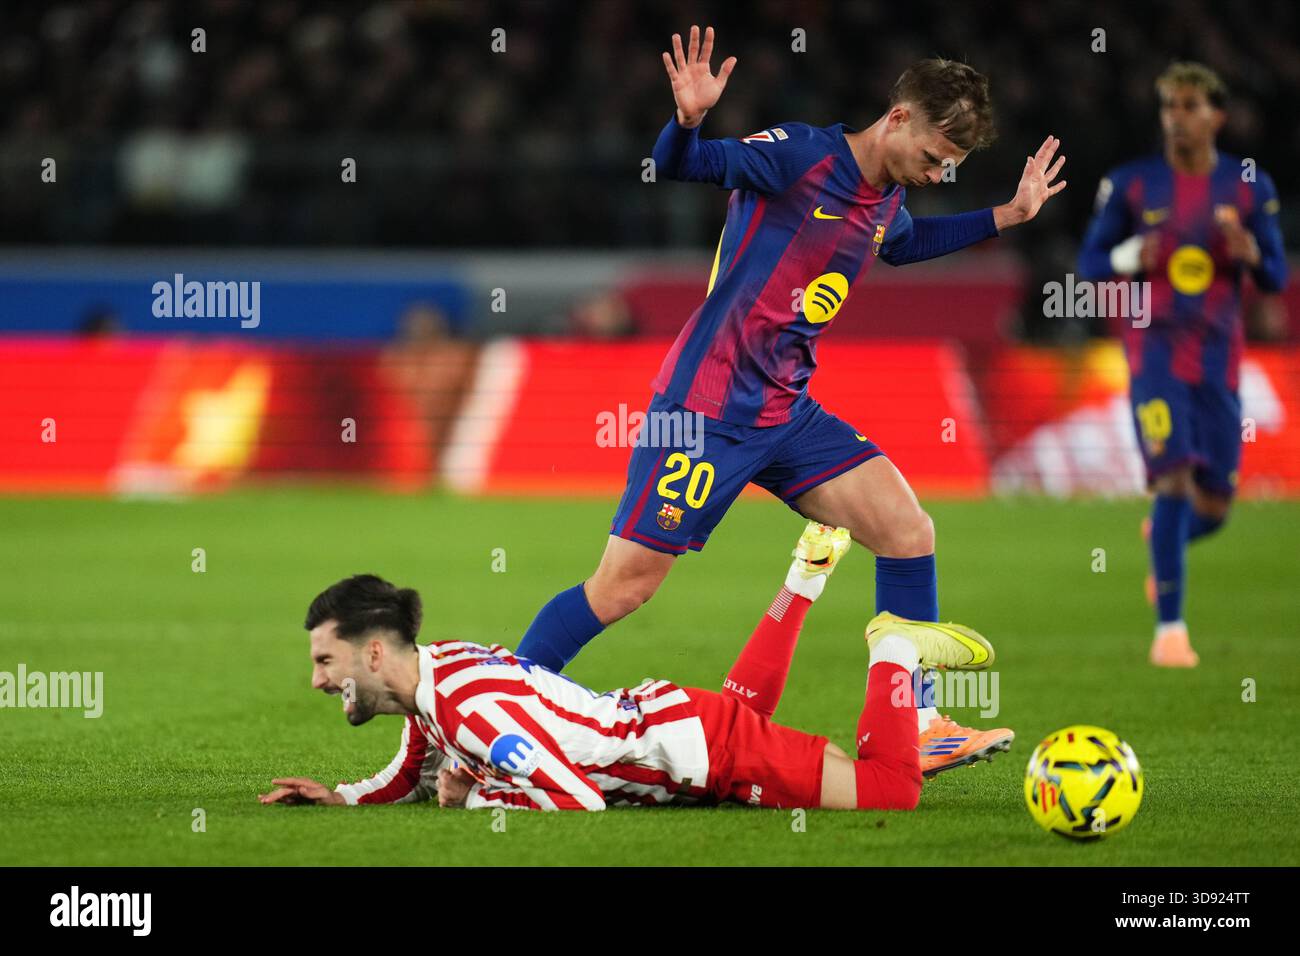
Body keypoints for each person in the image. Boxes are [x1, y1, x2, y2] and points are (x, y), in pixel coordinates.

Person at [514, 24, 1060, 773]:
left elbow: (900, 245)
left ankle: (920, 719)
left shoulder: (886, 195)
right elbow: (682, 165)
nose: (939, 175)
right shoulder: (801, 156)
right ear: (898, 118)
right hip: (707, 408)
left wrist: (1007, 215)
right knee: (623, 587)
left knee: (908, 531)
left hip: (786, 412)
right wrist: (688, 119)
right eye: (936, 157)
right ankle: (498, 711)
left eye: (953, 167)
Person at [259, 524, 1006, 813]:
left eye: (326, 659)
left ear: (375, 652)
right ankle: (806, 577)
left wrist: (477, 801)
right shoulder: (435, 680)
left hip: (700, 750)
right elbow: (409, 770)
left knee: (888, 793)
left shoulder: (468, 711)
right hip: (682, 729)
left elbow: (574, 799)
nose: (319, 679)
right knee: (748, 716)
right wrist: (340, 801)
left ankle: (895, 648)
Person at [1078, 62, 1287, 666]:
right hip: (1154, 354)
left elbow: (1275, 276)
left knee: (1216, 506)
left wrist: (1251, 252)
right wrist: (1126, 254)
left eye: (1191, 105)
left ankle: (1163, 538)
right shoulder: (1132, 184)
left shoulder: (1250, 186)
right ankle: (1171, 631)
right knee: (1172, 479)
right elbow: (1089, 264)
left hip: (1220, 360)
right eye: (1169, 106)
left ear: (1217, 115)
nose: (1178, 117)